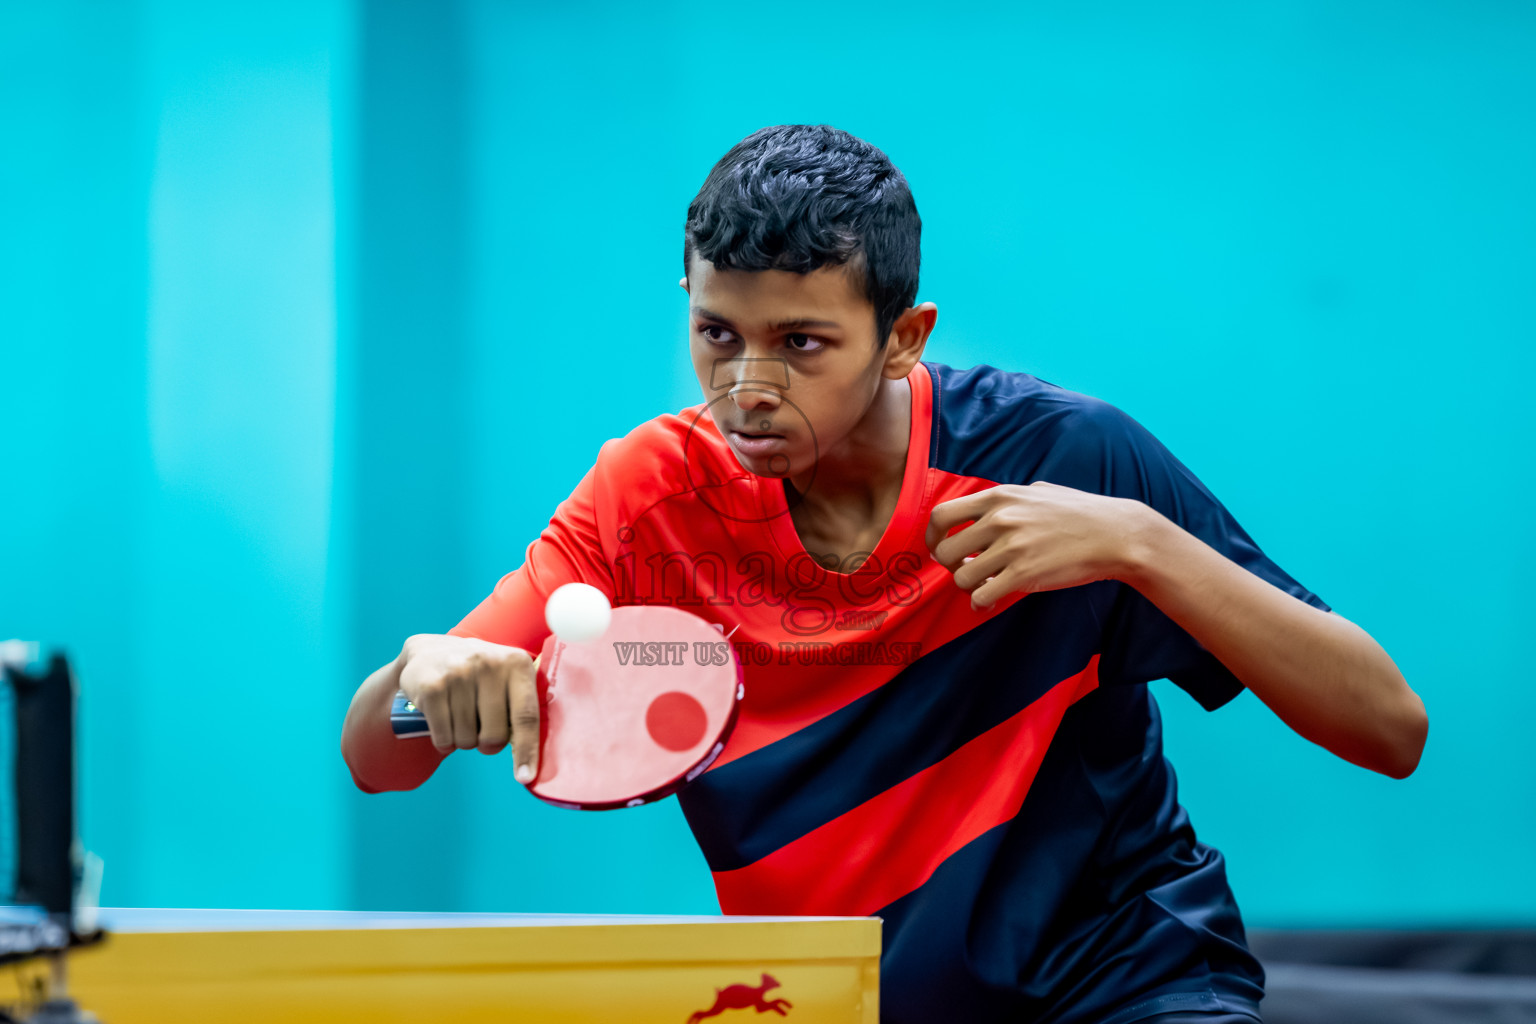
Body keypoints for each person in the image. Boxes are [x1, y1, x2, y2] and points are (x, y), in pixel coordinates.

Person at [341, 124, 1427, 1024]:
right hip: (835, 1003)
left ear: (904, 337)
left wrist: (1141, 543)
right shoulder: (649, 499)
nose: (748, 387)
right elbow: (374, 755)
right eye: (716, 332)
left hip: (1126, 983)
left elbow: (1389, 727)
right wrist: (426, 676)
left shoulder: (1067, 463)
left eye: (802, 344)